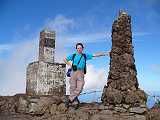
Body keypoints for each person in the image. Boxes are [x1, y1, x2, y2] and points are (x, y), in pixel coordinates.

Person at [63, 42, 110, 108]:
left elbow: (95, 55)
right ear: (76, 49)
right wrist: (71, 65)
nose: (79, 49)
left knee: (80, 87)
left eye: (80, 48)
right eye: (78, 48)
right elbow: (64, 59)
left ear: (82, 49)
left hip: (81, 72)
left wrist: (105, 53)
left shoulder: (85, 55)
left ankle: (69, 99)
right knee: (72, 87)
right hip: (73, 71)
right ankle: (75, 102)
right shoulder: (73, 55)